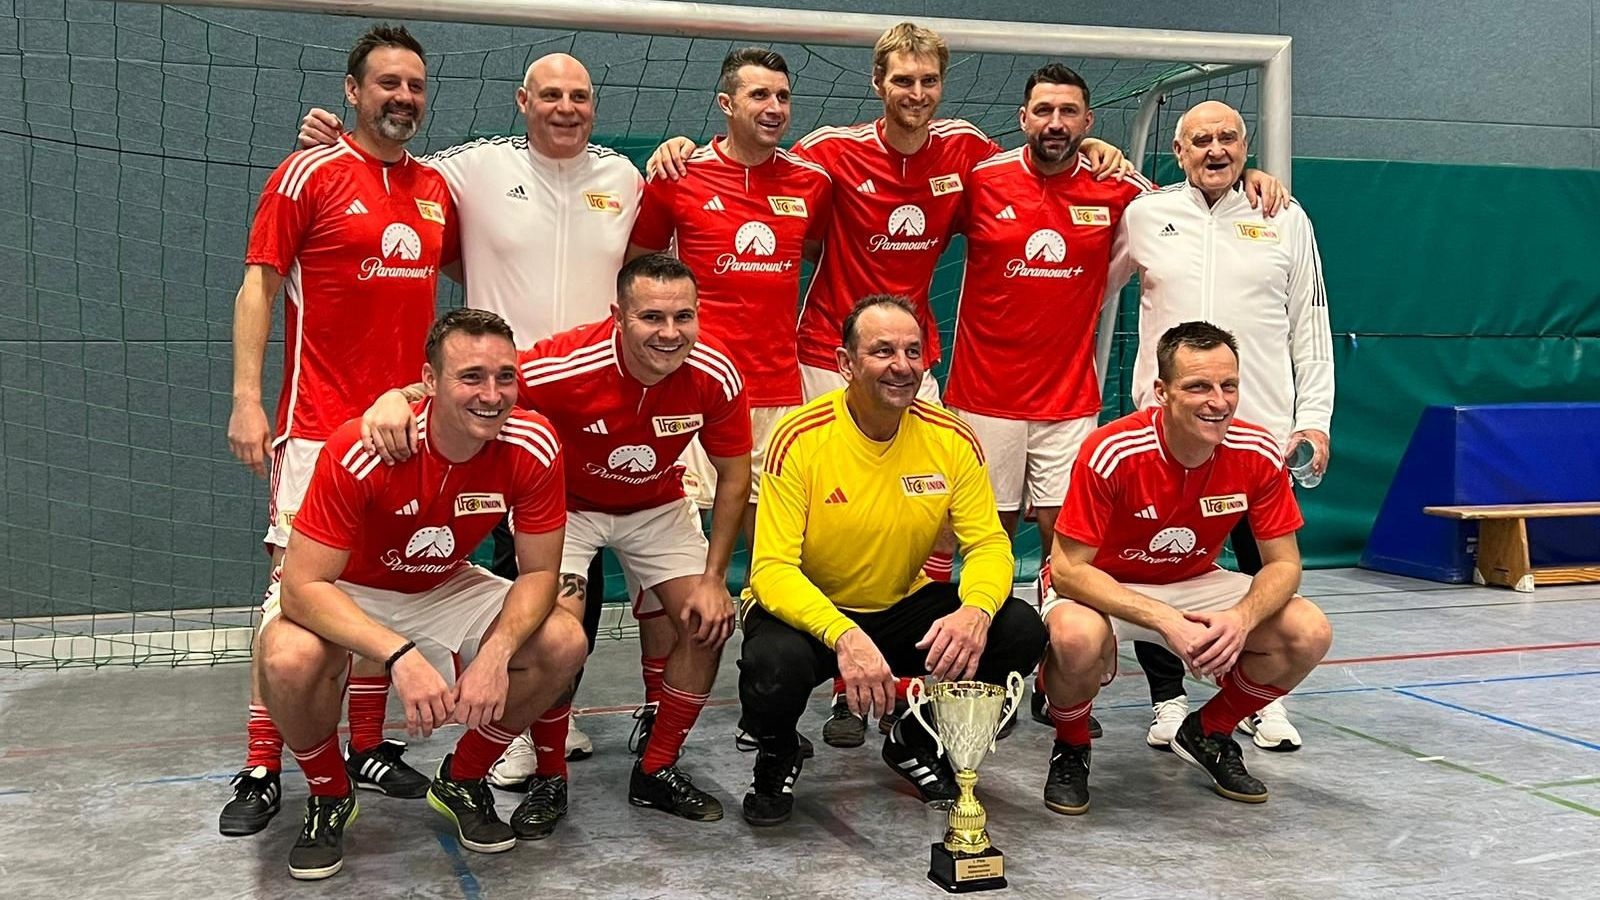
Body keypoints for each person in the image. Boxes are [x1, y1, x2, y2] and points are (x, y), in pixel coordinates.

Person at [299, 52, 645, 766]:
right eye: (550, 94)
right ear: (522, 100)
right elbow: (388, 162)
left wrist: (679, 152)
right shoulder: (474, 166)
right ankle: (497, 730)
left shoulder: (625, 177)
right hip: (495, 396)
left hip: (590, 400)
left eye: (580, 96)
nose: (566, 108)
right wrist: (337, 142)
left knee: (567, 561)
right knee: (491, 548)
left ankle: (547, 716)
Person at [362, 254, 751, 833]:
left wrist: (717, 579)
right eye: (651, 317)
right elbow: (477, 389)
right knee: (557, 637)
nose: (670, 333)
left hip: (658, 507)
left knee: (706, 624)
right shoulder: (564, 366)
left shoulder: (716, 373)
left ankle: (657, 768)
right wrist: (394, 397)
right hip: (568, 508)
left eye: (683, 317)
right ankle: (551, 776)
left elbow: (735, 476)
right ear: (618, 316)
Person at [220, 24, 458, 837]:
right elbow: (258, 287)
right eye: (388, 82)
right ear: (353, 91)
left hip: (410, 427)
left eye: (415, 85)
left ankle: (368, 747)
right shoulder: (306, 173)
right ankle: (262, 764)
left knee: (379, 584)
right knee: (292, 600)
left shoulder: (435, 188)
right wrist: (247, 399)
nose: (403, 97)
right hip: (319, 429)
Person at [258, 308, 586, 879]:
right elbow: (302, 588)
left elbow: (539, 574)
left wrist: (496, 655)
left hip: (443, 582)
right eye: (471, 377)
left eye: (505, 377)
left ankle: (463, 779)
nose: (492, 395)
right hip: (345, 586)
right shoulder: (364, 447)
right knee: (290, 658)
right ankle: (329, 792)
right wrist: (401, 656)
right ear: (430, 381)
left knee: (562, 640)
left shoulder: (533, 444)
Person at [737, 295, 1047, 826]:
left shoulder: (951, 438)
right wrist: (844, 635)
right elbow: (771, 570)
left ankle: (917, 738)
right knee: (772, 667)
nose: (901, 366)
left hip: (899, 607)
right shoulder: (799, 437)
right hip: (812, 614)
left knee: (1018, 627)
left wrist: (975, 610)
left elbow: (989, 545)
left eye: (912, 351)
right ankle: (778, 750)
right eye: (882, 351)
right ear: (845, 363)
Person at [1107, 100, 1334, 752]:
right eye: (1200, 139)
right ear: (1178, 152)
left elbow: (1310, 324)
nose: (1215, 149)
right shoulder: (1145, 214)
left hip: (1261, 431)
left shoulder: (1283, 216)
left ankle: (1265, 699)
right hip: (1164, 434)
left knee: (1267, 566)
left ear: (1246, 146)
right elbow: (1088, 288)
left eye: (1228, 138)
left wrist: (1314, 420)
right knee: (1156, 563)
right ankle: (1167, 699)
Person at [1039, 321, 1332, 814]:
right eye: (1198, 387)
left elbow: (1284, 564)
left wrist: (1240, 618)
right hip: (1105, 582)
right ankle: (1071, 746)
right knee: (1075, 638)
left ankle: (1209, 732)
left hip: (1194, 578)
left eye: (1228, 386)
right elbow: (1068, 570)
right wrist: (1166, 620)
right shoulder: (1111, 450)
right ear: (1162, 392)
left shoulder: (1258, 450)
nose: (1218, 402)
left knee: (1308, 631)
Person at [627, 47, 831, 544]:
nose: (774, 108)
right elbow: (637, 267)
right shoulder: (679, 175)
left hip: (776, 388)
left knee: (773, 539)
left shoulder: (811, 183)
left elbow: (816, 249)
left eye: (783, 97)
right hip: (692, 383)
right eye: (759, 95)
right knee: (681, 536)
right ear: (726, 103)